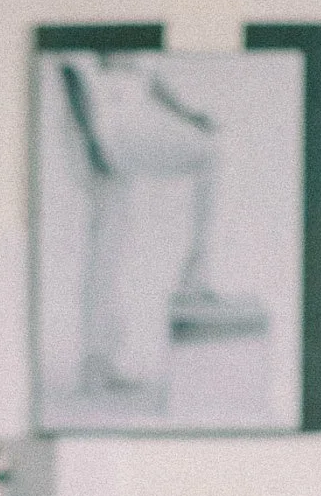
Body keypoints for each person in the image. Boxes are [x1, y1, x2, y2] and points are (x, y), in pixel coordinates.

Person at [57, 54, 266, 403]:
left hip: (102, 128)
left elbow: (153, 84)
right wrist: (92, 139)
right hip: (104, 126)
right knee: (210, 154)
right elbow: (75, 72)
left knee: (107, 248)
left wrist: (187, 115)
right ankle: (195, 278)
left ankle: (97, 364)